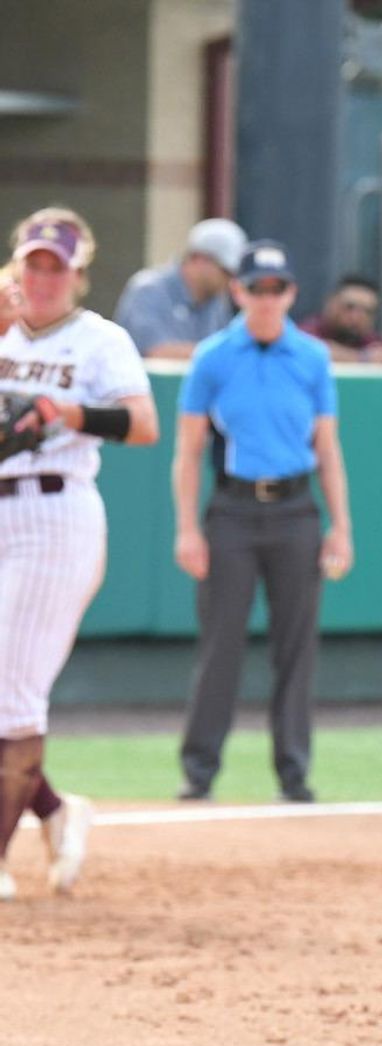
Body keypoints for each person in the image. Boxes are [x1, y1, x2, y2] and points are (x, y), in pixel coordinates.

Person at [0, 208, 159, 899]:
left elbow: (143, 423)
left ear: (77, 275)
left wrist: (70, 415)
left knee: (12, 692)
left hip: (53, 513)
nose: (41, 278)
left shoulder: (99, 340)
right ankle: (56, 810)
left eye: (54, 267)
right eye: (31, 263)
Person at [172, 239, 353, 804]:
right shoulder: (212, 357)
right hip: (231, 511)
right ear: (238, 291)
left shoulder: (313, 358)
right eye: (256, 288)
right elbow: (188, 450)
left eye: (277, 289)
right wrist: (187, 527)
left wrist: (340, 527)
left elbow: (328, 449)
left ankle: (294, 774)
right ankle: (199, 772)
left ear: (291, 293)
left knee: (296, 647)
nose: (267, 299)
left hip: (297, 511)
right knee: (221, 643)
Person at [113, 218, 247, 358]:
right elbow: (156, 352)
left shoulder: (216, 300)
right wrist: (222, 353)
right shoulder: (148, 290)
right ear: (198, 259)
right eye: (226, 272)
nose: (230, 280)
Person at [299, 274, 382, 365]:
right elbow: (310, 350)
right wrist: (363, 358)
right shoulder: (310, 331)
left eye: (367, 311)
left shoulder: (367, 340)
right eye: (350, 307)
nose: (358, 316)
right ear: (330, 304)